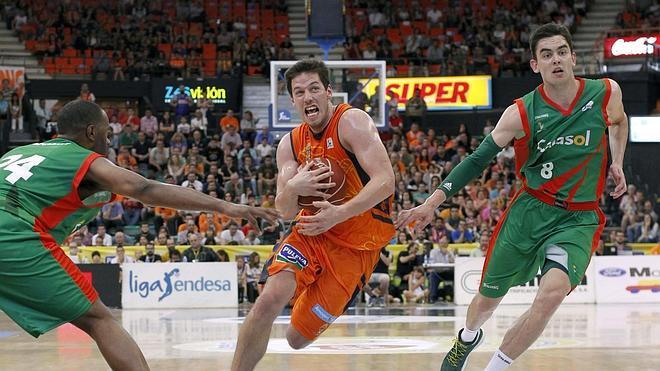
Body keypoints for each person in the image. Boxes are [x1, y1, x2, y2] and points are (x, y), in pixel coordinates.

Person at [396, 24, 628, 371]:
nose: (556, 60)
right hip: (530, 212)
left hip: (579, 218)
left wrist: (618, 161)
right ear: (536, 65)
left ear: (573, 57)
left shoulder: (606, 92)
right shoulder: (522, 112)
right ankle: (468, 337)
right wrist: (433, 201)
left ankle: (496, 367)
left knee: (550, 296)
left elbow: (619, 122)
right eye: (546, 55)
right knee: (486, 302)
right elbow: (477, 159)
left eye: (562, 51)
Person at [0, 100, 279, 371]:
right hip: (13, 233)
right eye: (107, 133)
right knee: (99, 320)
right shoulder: (80, 157)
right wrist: (224, 205)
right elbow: (143, 189)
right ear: (91, 132)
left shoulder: (16, 154)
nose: (109, 141)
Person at [232, 59, 395, 371]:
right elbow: (284, 210)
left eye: (314, 89)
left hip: (357, 248)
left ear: (329, 92)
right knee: (268, 300)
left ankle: (312, 298)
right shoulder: (290, 144)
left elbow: (386, 181)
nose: (307, 96)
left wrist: (340, 213)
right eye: (299, 92)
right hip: (310, 233)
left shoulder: (353, 122)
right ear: (292, 101)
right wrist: (294, 186)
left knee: (296, 338)